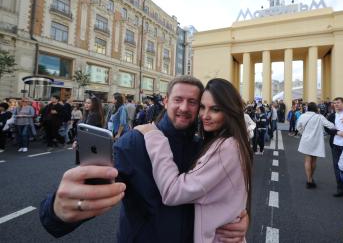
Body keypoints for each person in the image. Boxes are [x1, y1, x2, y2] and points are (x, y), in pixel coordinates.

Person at [39, 76, 248, 242]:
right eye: (178, 100)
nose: (184, 107)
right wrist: (58, 210)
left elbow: (225, 191)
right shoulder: (136, 141)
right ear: (166, 102)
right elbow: (96, 184)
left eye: (193, 102)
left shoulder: (204, 146)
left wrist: (238, 217)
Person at [136, 78, 252, 242]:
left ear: (230, 111)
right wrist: (240, 215)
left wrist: (154, 136)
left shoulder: (226, 147)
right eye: (202, 107)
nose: (205, 115)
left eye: (215, 109)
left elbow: (172, 192)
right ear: (166, 101)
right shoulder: (232, 143)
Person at [296, 102, 336, 188]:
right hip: (316, 141)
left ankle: (309, 180)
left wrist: (304, 133)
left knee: (307, 160)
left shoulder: (302, 116)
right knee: (314, 160)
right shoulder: (319, 117)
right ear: (316, 109)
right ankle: (311, 177)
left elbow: (298, 127)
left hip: (306, 140)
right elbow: (331, 126)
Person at [73, 96, 105, 164]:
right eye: (85, 103)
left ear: (94, 104)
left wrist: (76, 141)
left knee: (86, 165)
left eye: (89, 103)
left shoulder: (94, 115)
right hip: (86, 143)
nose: (86, 104)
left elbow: (85, 131)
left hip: (88, 144)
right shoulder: (88, 113)